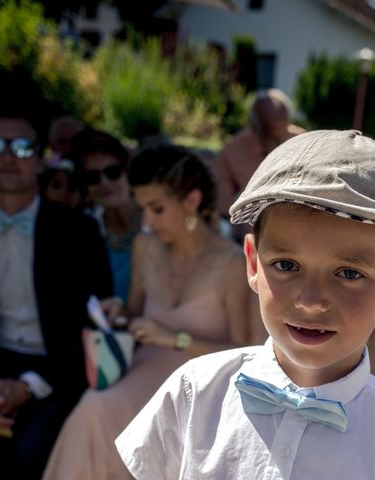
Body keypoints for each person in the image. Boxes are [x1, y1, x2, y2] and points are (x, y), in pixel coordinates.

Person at [116, 130, 375, 479]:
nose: (311, 302)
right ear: (253, 265)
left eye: (349, 274)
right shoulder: (194, 392)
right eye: (287, 266)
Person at [43, 145, 258, 480]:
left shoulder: (232, 263)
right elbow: (133, 314)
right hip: (140, 372)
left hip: (200, 386)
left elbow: (247, 352)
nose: (146, 221)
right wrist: (117, 314)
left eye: (156, 209)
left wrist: (175, 338)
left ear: (191, 201)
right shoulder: (144, 247)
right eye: (142, 208)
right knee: (93, 408)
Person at [0, 72, 112, 479]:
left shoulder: (78, 231)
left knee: (30, 458)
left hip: (56, 370)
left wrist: (26, 386)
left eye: (22, 147)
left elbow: (95, 328)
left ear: (41, 158)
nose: (8, 157)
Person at [71, 129, 140, 303]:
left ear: (127, 174)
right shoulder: (83, 232)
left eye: (113, 172)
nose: (104, 183)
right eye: (93, 177)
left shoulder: (157, 221)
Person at [215, 88, 305, 218]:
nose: (279, 144)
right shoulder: (232, 152)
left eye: (284, 130)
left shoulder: (303, 142)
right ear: (255, 130)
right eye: (272, 138)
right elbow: (223, 208)